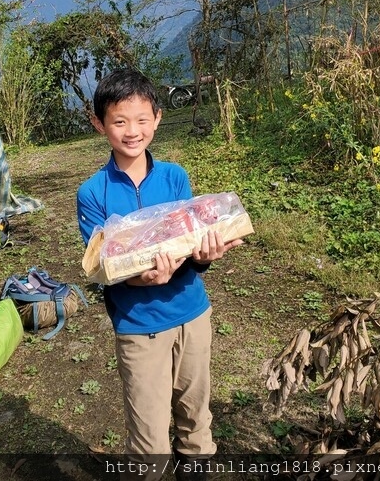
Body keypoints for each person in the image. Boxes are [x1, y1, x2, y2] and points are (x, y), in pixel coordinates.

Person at [76, 68, 242, 481]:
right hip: (139, 326)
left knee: (196, 417)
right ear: (100, 124)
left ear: (158, 119)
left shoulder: (174, 176)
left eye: (142, 119)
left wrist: (206, 255)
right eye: (119, 121)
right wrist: (140, 279)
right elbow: (103, 267)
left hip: (192, 313)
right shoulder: (92, 192)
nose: (132, 131)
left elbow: (188, 241)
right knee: (149, 439)